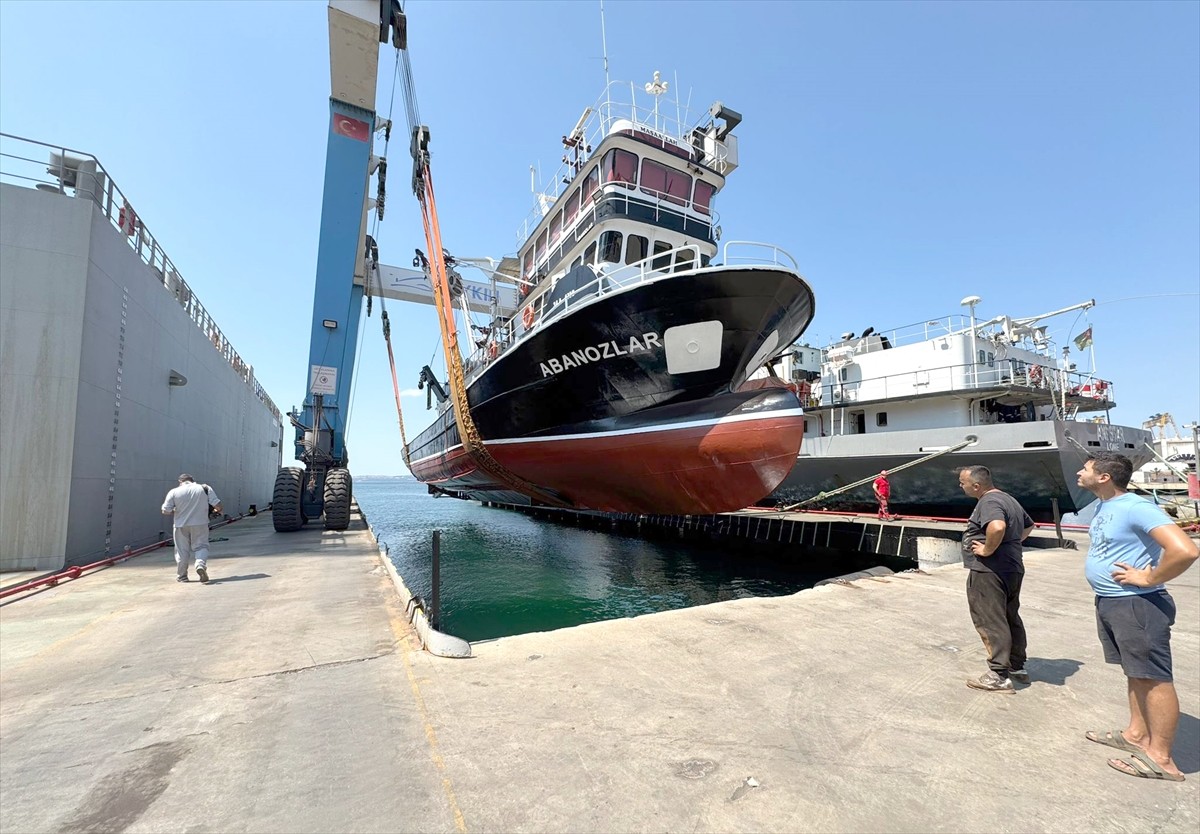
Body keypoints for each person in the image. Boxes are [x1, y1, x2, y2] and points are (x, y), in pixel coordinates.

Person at [1077, 451, 1199, 782]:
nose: (1079, 472)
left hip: (1137, 604)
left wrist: (1149, 577)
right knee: (1136, 673)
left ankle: (1161, 758)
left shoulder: (1136, 507)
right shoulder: (1105, 505)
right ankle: (1135, 734)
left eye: (1085, 469)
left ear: (1103, 477)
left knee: (1153, 678)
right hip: (1113, 602)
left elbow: (1186, 550)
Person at [958, 465, 1035, 693]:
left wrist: (989, 550)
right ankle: (1017, 667)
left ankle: (998, 675)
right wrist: (1009, 546)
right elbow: (1029, 525)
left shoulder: (988, 502)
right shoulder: (1008, 499)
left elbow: (997, 526)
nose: (960, 486)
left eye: (962, 483)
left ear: (976, 486)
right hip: (1012, 567)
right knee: (1010, 615)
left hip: (989, 571)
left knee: (990, 619)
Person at [161, 474, 222, 584]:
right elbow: (218, 506)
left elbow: (166, 511)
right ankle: (200, 565)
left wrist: (177, 511)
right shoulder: (204, 488)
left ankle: (182, 576)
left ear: (180, 482)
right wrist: (217, 511)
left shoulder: (174, 492)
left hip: (180, 525)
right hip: (200, 523)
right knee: (201, 546)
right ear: (193, 480)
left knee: (182, 551)